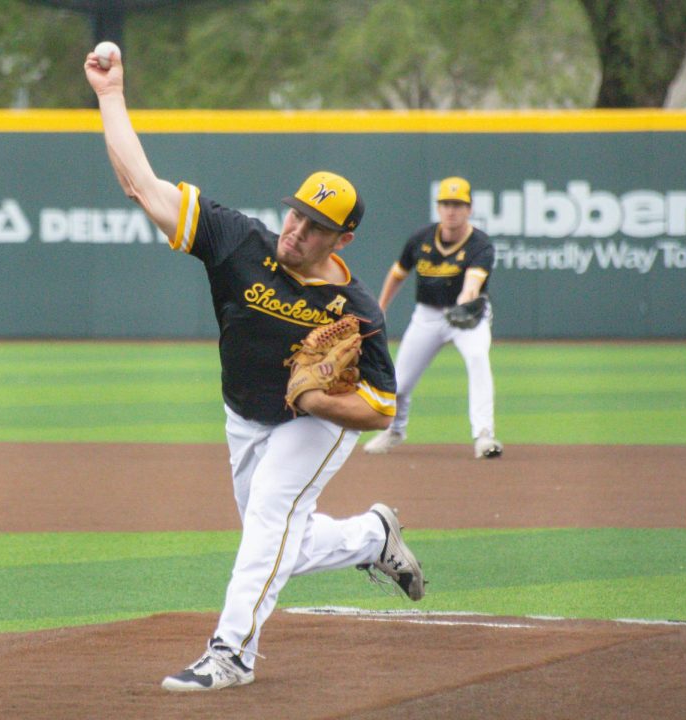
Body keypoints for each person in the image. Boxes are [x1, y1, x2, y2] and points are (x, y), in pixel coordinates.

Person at [84, 46, 425, 692]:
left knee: (271, 513)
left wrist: (322, 403)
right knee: (275, 545)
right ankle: (372, 536)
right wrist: (110, 95)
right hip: (243, 412)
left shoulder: (355, 314)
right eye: (297, 212)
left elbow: (381, 405)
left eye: (317, 226)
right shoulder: (240, 241)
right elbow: (143, 187)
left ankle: (230, 653)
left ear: (342, 240)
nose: (297, 229)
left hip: (313, 423)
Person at [363, 177, 503, 459]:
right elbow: (398, 273)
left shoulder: (480, 244)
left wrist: (465, 301)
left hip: (467, 318)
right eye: (446, 204)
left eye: (458, 204)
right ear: (438, 208)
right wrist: (381, 306)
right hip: (427, 315)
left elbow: (473, 284)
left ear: (469, 208)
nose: (452, 210)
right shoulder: (421, 239)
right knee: (399, 382)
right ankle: (395, 431)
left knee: (478, 359)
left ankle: (484, 435)